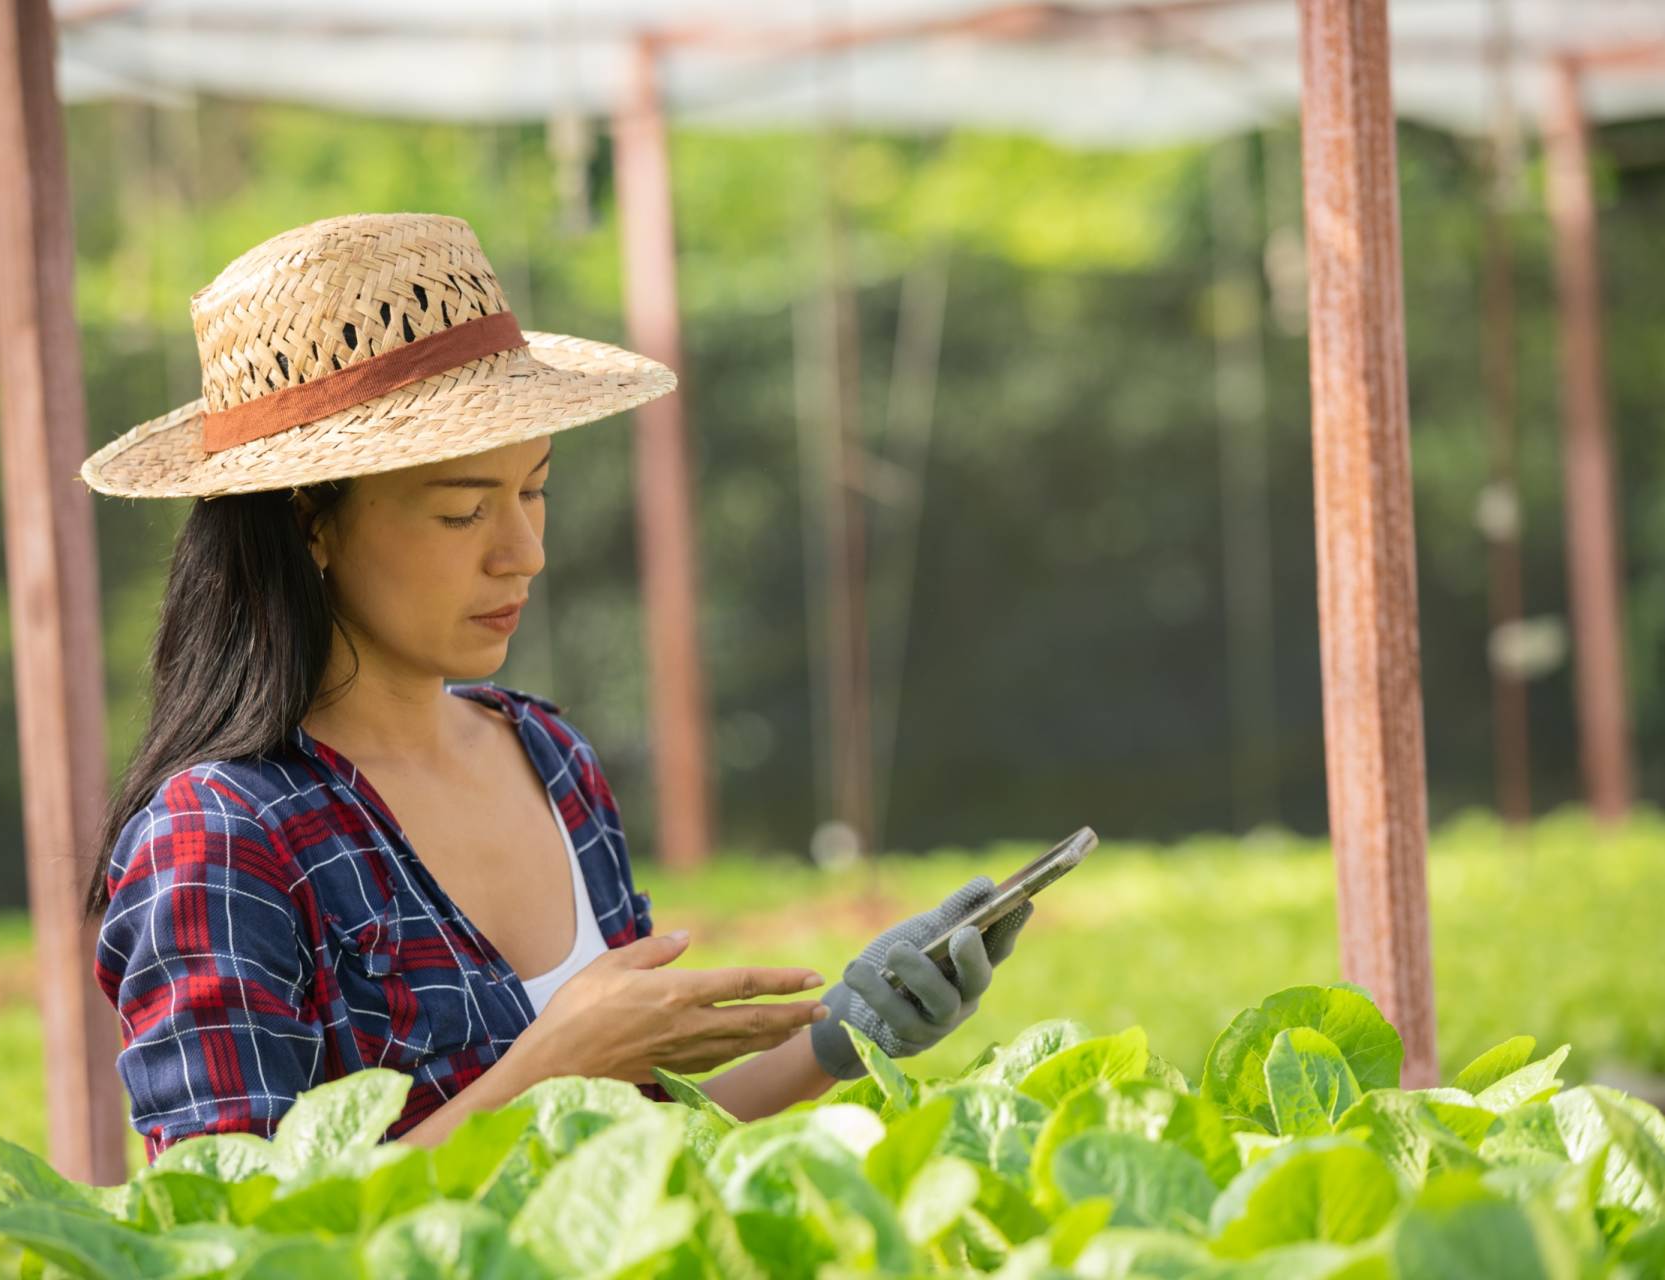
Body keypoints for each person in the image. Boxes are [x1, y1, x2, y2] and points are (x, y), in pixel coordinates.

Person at [83, 213, 1032, 1157]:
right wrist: (553, 1066)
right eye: (463, 513)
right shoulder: (220, 836)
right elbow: (230, 1232)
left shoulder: (547, 756)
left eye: (532, 490)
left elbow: (634, 1148)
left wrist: (846, 1033)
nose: (523, 554)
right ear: (309, 528)